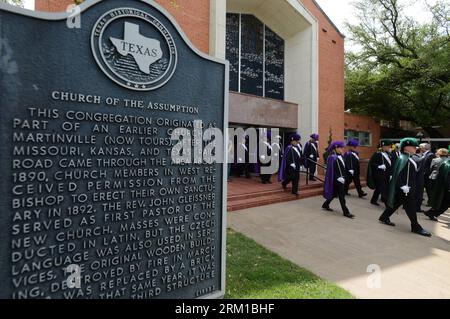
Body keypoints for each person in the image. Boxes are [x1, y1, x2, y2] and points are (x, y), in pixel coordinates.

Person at [378, 138, 431, 237]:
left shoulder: (410, 157)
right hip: (405, 189)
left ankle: (384, 217)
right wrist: (402, 185)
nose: (416, 148)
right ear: (406, 148)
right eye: (413, 147)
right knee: (411, 207)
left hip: (408, 187)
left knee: (396, 203)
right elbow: (397, 174)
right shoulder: (403, 158)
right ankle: (415, 226)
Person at [322, 141, 355, 219]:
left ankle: (325, 204)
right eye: (340, 147)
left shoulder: (342, 156)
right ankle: (346, 212)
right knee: (341, 196)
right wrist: (338, 177)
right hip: (337, 180)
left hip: (342, 179)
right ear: (336, 148)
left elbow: (343, 166)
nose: (342, 149)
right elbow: (331, 170)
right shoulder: (332, 157)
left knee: (334, 194)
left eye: (343, 147)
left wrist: (349, 170)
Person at [367, 140, 394, 206]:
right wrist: (379, 166)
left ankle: (373, 200)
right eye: (388, 146)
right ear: (384, 147)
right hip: (380, 175)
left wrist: (390, 174)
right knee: (383, 189)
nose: (390, 148)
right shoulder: (377, 154)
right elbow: (372, 163)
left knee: (378, 189)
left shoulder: (388, 154)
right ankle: (387, 204)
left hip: (386, 174)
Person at [425, 156, 450, 221]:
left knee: (443, 203)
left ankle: (431, 213)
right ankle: (431, 213)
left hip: (442, 187)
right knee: (445, 203)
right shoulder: (448, 164)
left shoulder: (446, 163)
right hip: (446, 188)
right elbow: (447, 179)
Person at [415, 143, 435, 211]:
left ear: (425, 148)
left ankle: (431, 202)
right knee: (422, 190)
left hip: (427, 176)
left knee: (429, 189)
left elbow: (430, 166)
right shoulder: (424, 154)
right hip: (422, 175)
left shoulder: (431, 155)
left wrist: (425, 172)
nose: (420, 148)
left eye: (421, 147)